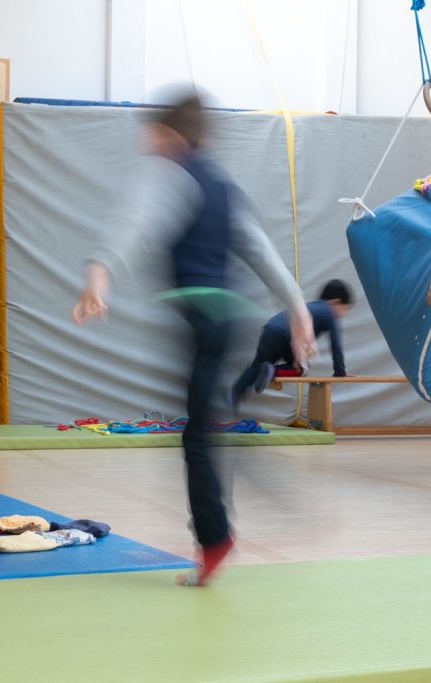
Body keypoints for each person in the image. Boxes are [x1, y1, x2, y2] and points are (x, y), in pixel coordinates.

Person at [73, 94, 314, 585]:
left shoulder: (168, 172)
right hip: (228, 315)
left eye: (154, 135)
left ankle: (216, 537)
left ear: (174, 136)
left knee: (197, 435)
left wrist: (100, 271)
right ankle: (220, 529)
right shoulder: (221, 185)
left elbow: (134, 223)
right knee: (202, 426)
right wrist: (295, 308)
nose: (148, 144)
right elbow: (259, 249)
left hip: (203, 312)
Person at [232, 279, 352, 405]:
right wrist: (340, 372)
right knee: (301, 369)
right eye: (345, 309)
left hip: (270, 329)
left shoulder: (311, 306)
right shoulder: (328, 313)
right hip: (287, 336)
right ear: (336, 302)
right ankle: (273, 370)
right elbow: (335, 345)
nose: (343, 314)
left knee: (256, 366)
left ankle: (235, 393)